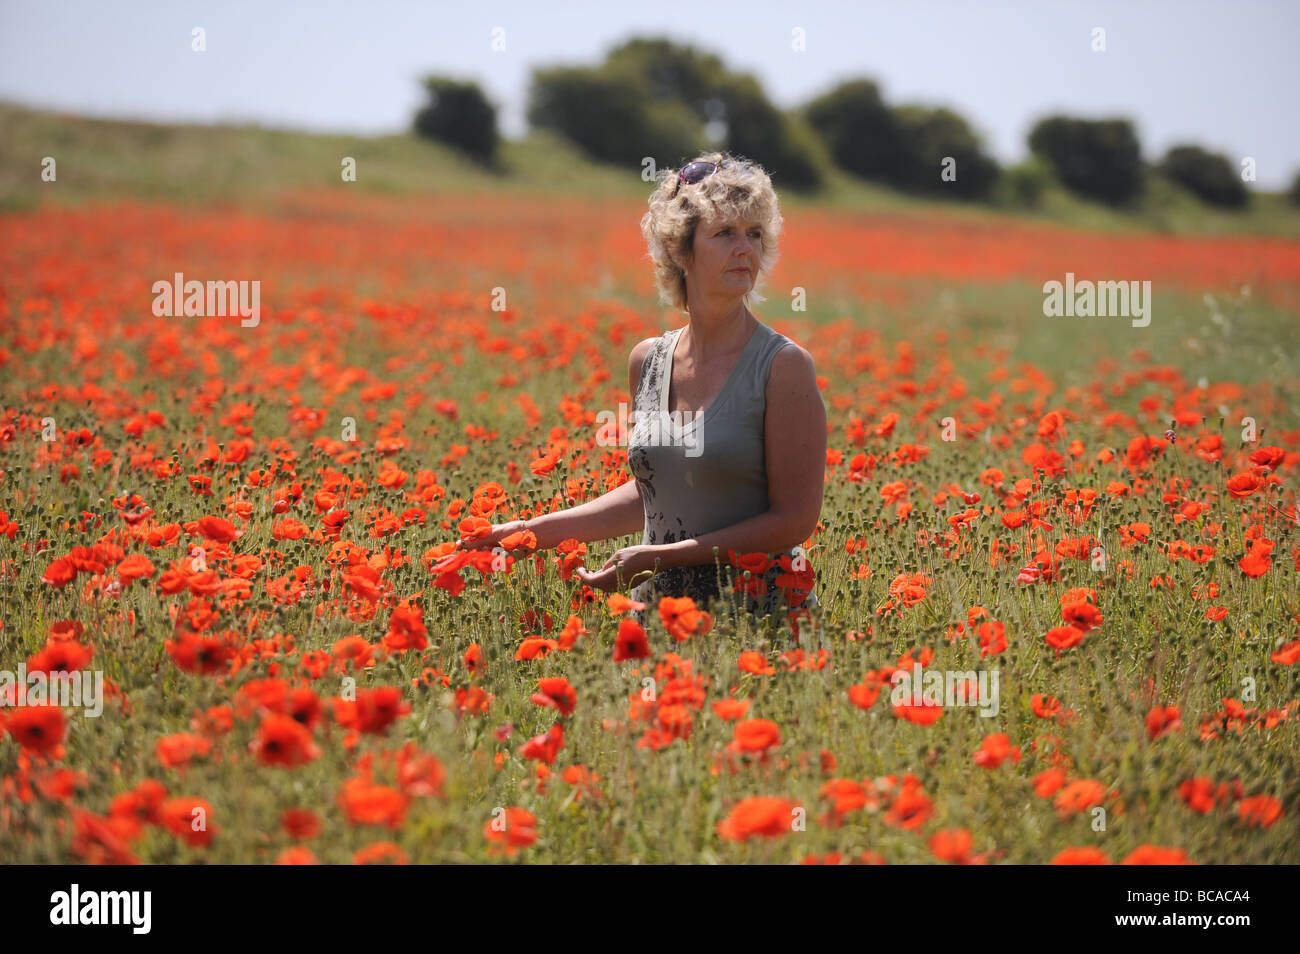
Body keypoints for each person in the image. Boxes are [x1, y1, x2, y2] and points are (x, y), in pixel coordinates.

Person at [462, 152, 826, 631]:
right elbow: (659, 492)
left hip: (761, 620)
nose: (746, 250)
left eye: (754, 234)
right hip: (661, 620)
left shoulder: (783, 367)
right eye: (724, 234)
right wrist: (530, 533)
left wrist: (665, 558)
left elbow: (794, 521)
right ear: (681, 249)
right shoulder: (648, 362)